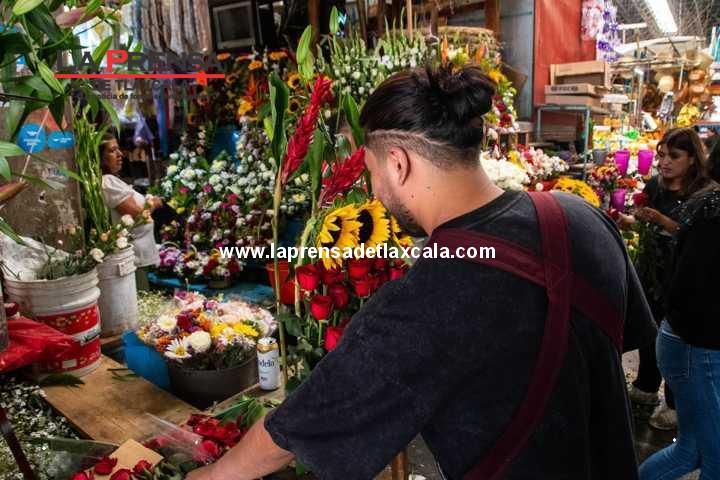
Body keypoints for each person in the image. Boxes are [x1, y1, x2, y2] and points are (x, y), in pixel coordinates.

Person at [187, 65, 656, 480]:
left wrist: (213, 475)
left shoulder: (428, 297)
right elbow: (627, 334)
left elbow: (302, 425)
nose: (374, 189)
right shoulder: (580, 216)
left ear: (397, 162)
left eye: (371, 171)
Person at [639, 156, 720, 479]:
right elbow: (690, 289)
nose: (665, 162)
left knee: (690, 452)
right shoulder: (713, 211)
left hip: (694, 341)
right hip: (696, 345)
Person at [621, 129, 706, 430]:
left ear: (692, 159)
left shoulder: (702, 193)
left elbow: (697, 237)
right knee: (648, 328)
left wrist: (662, 221)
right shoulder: (655, 185)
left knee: (676, 339)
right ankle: (645, 385)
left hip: (681, 275)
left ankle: (674, 402)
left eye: (674, 156)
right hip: (650, 271)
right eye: (662, 156)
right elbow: (641, 222)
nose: (665, 162)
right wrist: (627, 221)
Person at [100, 135, 161, 290]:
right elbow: (139, 216)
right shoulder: (107, 182)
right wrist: (154, 203)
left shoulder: (112, 180)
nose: (120, 154)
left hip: (139, 258)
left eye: (118, 149)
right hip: (133, 259)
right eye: (112, 151)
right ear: (100, 158)